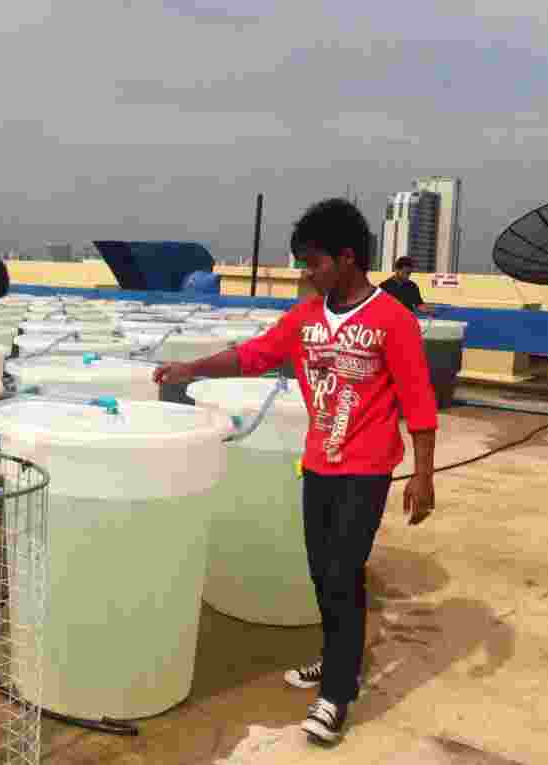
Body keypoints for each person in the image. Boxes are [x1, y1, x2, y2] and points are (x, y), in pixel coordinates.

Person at [152, 198, 438, 744]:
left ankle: (337, 693)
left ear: (347, 258)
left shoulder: (392, 320)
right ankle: (337, 658)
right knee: (321, 573)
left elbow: (419, 402)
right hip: (318, 464)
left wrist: (423, 475)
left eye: (314, 262)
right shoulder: (306, 318)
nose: (308, 273)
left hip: (367, 468)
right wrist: (191, 368)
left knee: (343, 574)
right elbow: (253, 355)